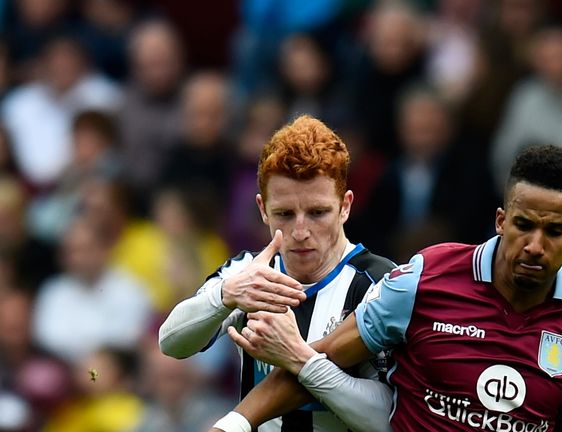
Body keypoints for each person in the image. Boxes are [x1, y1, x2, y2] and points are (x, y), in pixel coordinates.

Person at [216, 144, 562, 432]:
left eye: (554, 231)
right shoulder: (428, 278)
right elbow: (326, 358)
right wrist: (233, 424)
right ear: (500, 220)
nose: (535, 246)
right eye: (524, 225)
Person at [159, 115, 396, 431]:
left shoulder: (381, 283)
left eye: (317, 212)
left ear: (345, 206)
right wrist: (225, 296)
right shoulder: (247, 273)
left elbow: (390, 418)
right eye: (284, 214)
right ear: (262, 209)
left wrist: (301, 361)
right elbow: (172, 343)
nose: (300, 231)